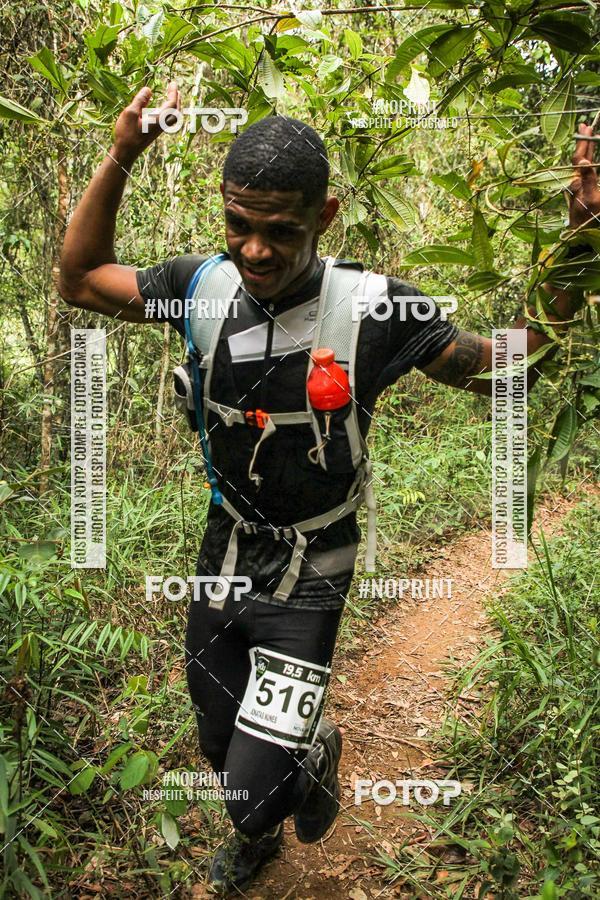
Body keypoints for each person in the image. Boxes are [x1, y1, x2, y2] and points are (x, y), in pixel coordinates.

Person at [59, 81, 598, 895]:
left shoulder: (373, 310)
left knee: (246, 796)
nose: (256, 251)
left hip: (317, 568)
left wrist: (583, 238)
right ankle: (291, 763)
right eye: (239, 225)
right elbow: (80, 278)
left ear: (328, 216)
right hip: (226, 546)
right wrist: (122, 152)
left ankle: (294, 772)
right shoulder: (199, 289)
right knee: (214, 733)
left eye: (283, 230)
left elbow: (513, 363)